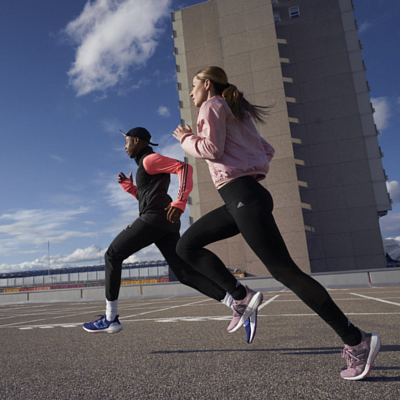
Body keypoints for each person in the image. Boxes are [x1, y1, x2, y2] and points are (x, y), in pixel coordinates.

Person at [172, 66, 380, 380]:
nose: (191, 93)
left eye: (193, 86)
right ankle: (240, 297)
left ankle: (357, 341)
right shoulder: (237, 113)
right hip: (243, 196)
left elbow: (210, 149)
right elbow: (267, 150)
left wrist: (186, 138)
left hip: (242, 195)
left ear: (206, 84)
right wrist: (247, 167)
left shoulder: (211, 105)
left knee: (286, 272)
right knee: (186, 246)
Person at [83, 127, 236, 334]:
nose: (124, 147)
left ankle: (111, 318)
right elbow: (149, 198)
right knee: (184, 273)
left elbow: (184, 168)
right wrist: (130, 188)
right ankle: (235, 302)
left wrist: (181, 201)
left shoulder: (149, 160)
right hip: (164, 222)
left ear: (137, 141)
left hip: (154, 220)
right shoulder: (146, 165)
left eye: (126, 142)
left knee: (112, 255)